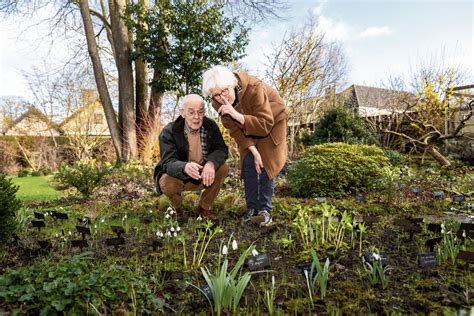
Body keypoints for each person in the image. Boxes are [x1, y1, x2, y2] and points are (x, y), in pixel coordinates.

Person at [202, 65, 287, 226]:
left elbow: (264, 125)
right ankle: (252, 210)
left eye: (225, 91)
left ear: (233, 83)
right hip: (244, 127)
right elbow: (234, 129)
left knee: (265, 163)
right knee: (248, 163)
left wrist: (236, 114)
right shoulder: (217, 101)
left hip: (272, 121)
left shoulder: (255, 88)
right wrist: (253, 151)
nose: (222, 98)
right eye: (216, 95)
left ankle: (264, 211)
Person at [153, 94, 229, 220]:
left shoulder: (210, 126)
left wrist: (210, 164)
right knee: (166, 182)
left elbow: (221, 149)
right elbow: (167, 162)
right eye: (191, 112)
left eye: (200, 112)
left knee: (223, 168)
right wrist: (184, 167)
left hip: (203, 174)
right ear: (182, 113)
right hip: (180, 176)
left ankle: (204, 208)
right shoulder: (169, 131)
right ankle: (177, 210)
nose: (196, 117)